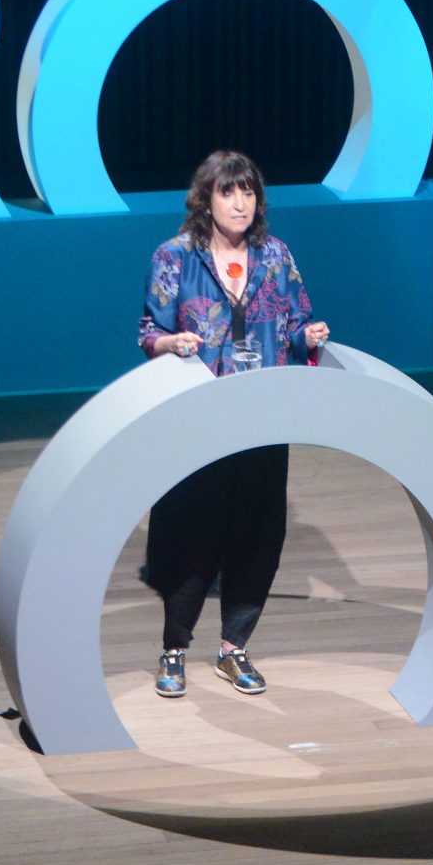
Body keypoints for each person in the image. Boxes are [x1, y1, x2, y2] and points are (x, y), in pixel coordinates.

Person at [136, 150, 329, 699]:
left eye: (248, 192)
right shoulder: (175, 256)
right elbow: (149, 329)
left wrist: (308, 336)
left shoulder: (276, 255)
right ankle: (173, 649)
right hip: (199, 420)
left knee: (258, 534)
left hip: (264, 418)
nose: (240, 202)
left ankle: (233, 650)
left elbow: (294, 322)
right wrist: (171, 343)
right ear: (207, 200)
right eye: (228, 192)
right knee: (190, 534)